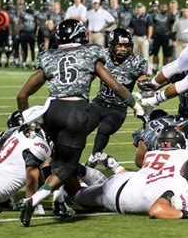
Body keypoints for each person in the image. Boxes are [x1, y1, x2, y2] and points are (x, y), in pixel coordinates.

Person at [15, 19, 145, 227]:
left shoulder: (49, 56)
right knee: (69, 165)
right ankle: (34, 200)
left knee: (57, 161)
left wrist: (26, 119)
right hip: (74, 111)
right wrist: (135, 105)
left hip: (52, 110)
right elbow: (114, 84)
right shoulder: (90, 53)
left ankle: (59, 201)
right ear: (80, 35)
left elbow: (22, 95)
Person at [74, 153, 188, 220]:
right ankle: (67, 171)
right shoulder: (182, 189)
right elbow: (157, 209)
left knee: (99, 187)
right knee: (74, 195)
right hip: (116, 195)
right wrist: (185, 214)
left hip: (126, 180)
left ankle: (81, 170)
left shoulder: (176, 176)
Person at [84, 28, 148, 167]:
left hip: (118, 107)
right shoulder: (103, 56)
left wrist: (145, 84)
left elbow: (142, 79)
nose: (123, 49)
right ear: (112, 45)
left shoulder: (137, 61)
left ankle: (93, 158)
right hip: (100, 101)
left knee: (104, 129)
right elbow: (90, 76)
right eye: (120, 45)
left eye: (126, 46)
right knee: (82, 127)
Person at [150, 3, 173, 74]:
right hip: (157, 36)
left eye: (164, 7)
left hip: (166, 36)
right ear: (160, 8)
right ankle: (155, 68)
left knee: (166, 54)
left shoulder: (170, 14)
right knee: (155, 52)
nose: (163, 8)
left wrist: (171, 36)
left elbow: (172, 25)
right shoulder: (156, 14)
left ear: (167, 8)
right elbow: (153, 25)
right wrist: (152, 36)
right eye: (162, 7)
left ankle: (164, 68)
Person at [17, 1, 38, 69]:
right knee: (24, 49)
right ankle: (24, 63)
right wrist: (18, 32)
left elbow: (37, 24)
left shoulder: (35, 13)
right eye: (30, 6)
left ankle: (32, 63)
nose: (31, 8)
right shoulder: (23, 13)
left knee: (32, 49)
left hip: (31, 32)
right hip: (24, 32)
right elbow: (19, 23)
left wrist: (36, 33)